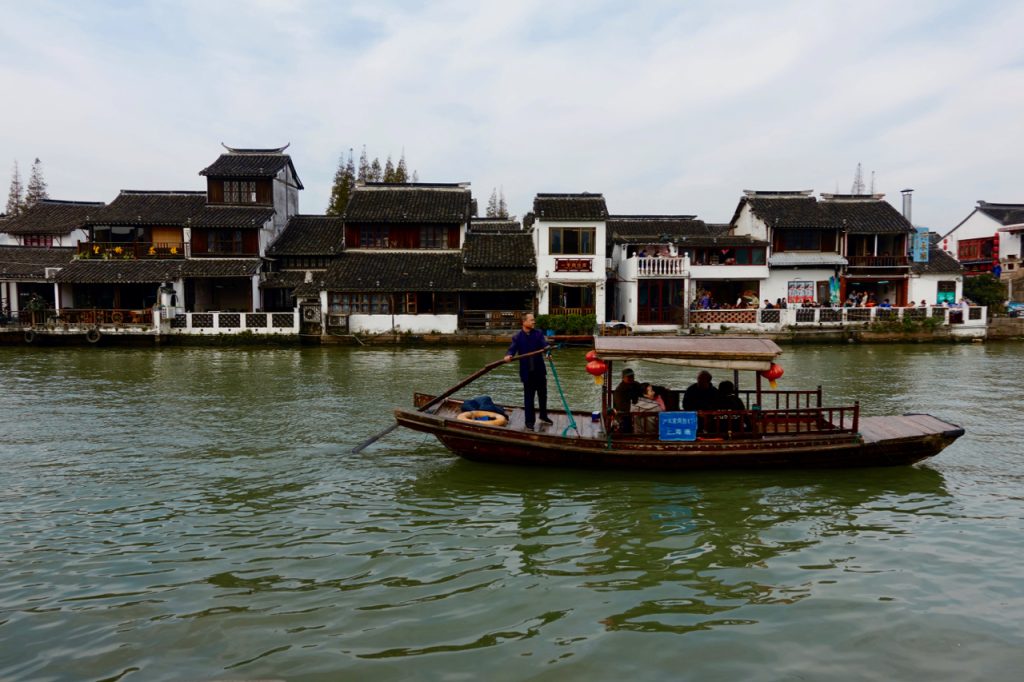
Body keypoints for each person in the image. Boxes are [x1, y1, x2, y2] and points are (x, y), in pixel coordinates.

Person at [504, 312, 552, 431]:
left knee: (543, 396)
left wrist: (547, 353)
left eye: (533, 320)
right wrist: (508, 356)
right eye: (531, 320)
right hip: (527, 373)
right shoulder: (518, 337)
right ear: (524, 322)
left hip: (540, 371)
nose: (533, 322)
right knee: (529, 398)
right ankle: (529, 422)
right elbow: (512, 350)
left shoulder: (538, 334)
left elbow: (544, 345)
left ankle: (543, 415)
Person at [612, 368, 644, 433]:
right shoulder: (619, 390)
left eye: (632, 376)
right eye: (628, 377)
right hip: (624, 414)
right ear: (623, 378)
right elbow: (620, 406)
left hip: (636, 410)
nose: (631, 378)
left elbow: (643, 391)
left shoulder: (636, 384)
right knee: (626, 423)